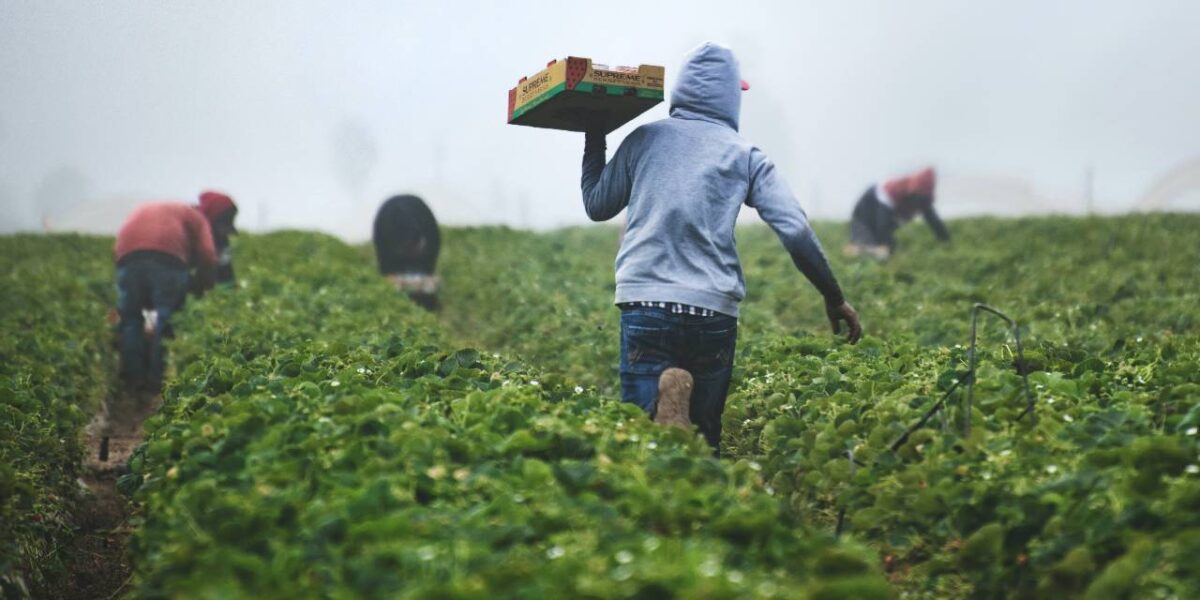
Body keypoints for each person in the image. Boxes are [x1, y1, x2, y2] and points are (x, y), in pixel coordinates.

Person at [579, 42, 861, 453]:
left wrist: (594, 137)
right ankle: (693, 463)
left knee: (640, 444)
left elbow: (597, 205)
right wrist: (833, 296)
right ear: (732, 97)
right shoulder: (746, 155)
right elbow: (795, 230)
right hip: (712, 309)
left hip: (647, 301)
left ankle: (663, 408)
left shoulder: (644, 139)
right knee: (705, 442)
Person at [113, 194, 237, 392]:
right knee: (166, 317)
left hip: (126, 255)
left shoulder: (148, 208)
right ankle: (157, 382)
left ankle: (132, 379)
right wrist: (203, 287)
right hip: (167, 257)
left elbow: (121, 246)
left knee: (131, 319)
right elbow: (208, 256)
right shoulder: (197, 218)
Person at [846, 167, 950, 259]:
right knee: (876, 252)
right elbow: (883, 226)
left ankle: (869, 248)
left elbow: (933, 220)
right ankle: (854, 249)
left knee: (882, 249)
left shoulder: (923, 196)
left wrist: (946, 243)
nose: (918, 200)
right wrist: (890, 249)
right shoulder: (893, 190)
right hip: (865, 213)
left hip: (886, 218)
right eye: (917, 196)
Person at [372, 194, 441, 310]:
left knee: (425, 283)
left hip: (420, 230)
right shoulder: (383, 231)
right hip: (388, 229)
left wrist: (425, 276)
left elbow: (431, 256)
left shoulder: (428, 228)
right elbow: (385, 265)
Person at [198, 191, 239, 285]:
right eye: (226, 219)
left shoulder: (222, 239)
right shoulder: (195, 228)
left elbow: (225, 266)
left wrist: (230, 286)